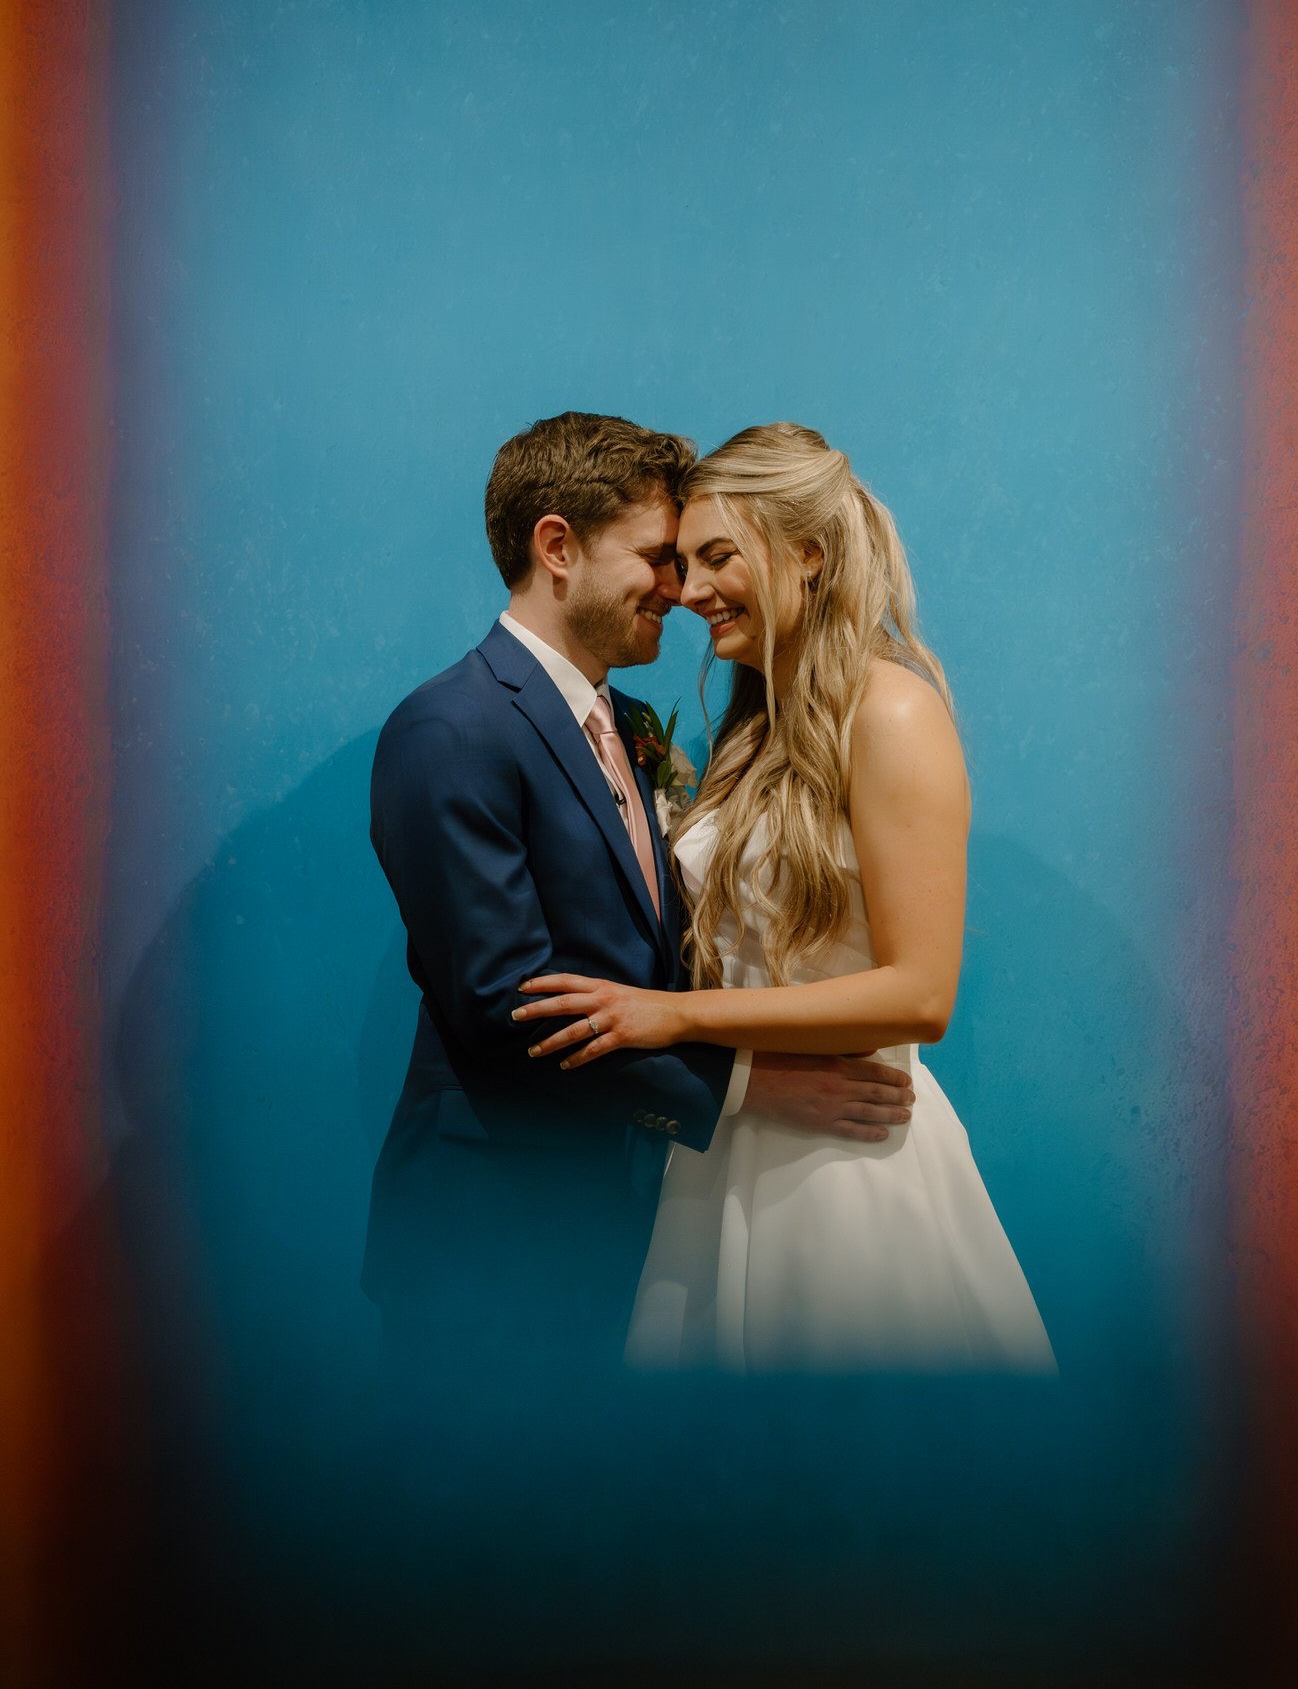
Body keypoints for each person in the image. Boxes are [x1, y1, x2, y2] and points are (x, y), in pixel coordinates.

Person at [362, 411, 917, 1369]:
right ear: (557, 547)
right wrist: (751, 1089)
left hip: (635, 1220)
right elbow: (509, 1011)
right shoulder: (449, 732)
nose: (682, 589)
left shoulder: (634, 724)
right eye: (659, 557)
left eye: (696, 561)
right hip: (494, 1230)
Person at [517, 422, 1056, 1373]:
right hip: (723, 1158)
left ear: (806, 554)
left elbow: (920, 994)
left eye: (717, 557)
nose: (687, 593)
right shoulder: (750, 729)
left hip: (847, 1169)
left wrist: (674, 1018)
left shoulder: (889, 711)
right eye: (680, 563)